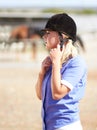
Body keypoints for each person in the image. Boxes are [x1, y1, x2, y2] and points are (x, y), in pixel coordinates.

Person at [35, 13, 87, 130]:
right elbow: (40, 95)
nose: (44, 37)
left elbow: (57, 93)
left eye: (48, 33)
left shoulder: (76, 63)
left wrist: (56, 64)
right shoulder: (54, 61)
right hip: (49, 126)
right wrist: (41, 73)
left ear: (62, 37)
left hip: (66, 126)